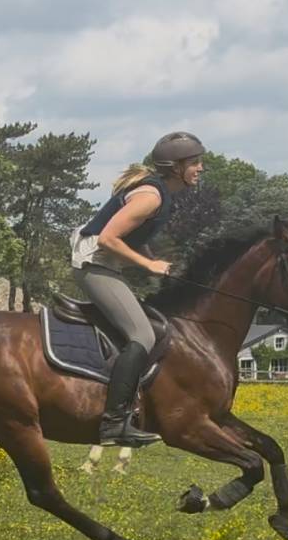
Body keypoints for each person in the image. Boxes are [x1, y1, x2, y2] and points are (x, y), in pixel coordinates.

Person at [69, 131, 205, 446]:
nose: (200, 168)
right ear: (175, 167)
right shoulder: (152, 197)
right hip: (94, 265)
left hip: (105, 264)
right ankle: (114, 423)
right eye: (195, 163)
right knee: (142, 335)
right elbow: (107, 239)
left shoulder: (161, 195)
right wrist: (148, 266)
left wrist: (157, 262)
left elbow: (130, 239)